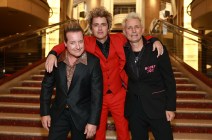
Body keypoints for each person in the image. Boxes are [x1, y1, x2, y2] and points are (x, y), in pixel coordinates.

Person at [45, 7, 163, 140]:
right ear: (91, 28)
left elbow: (137, 36)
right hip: (97, 97)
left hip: (118, 94)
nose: (100, 28)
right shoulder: (86, 42)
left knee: (123, 131)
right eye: (96, 25)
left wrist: (154, 39)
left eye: (103, 24)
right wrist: (53, 53)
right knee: (98, 132)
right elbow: (65, 44)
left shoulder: (119, 39)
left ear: (109, 26)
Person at [40, 20, 103, 140]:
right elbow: (46, 87)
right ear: (65, 43)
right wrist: (44, 113)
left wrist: (93, 122)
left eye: (80, 41)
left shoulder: (93, 62)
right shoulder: (56, 60)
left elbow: (97, 95)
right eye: (73, 43)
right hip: (59, 114)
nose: (78, 46)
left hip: (82, 117)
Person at [123, 12, 176, 140]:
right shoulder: (122, 51)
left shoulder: (157, 49)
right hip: (135, 110)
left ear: (142, 29)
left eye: (137, 27)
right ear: (124, 32)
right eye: (129, 28)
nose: (133, 31)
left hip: (157, 107)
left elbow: (169, 79)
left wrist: (170, 107)